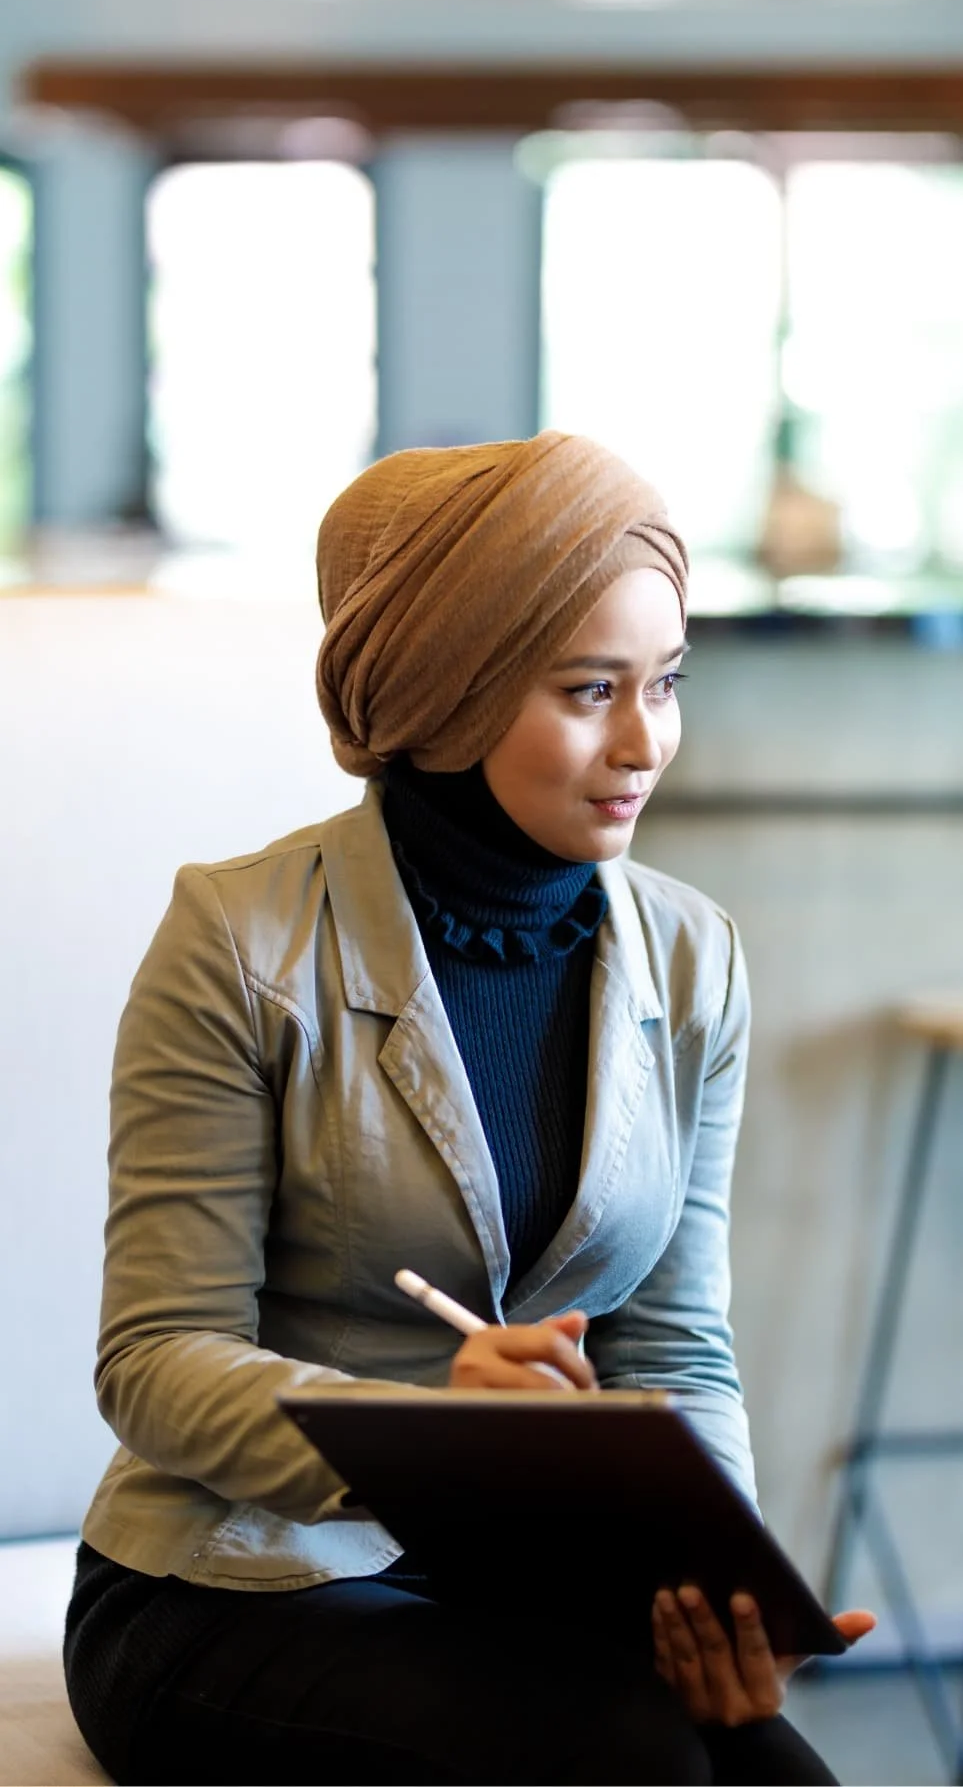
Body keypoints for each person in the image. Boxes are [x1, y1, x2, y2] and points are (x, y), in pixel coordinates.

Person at [63, 431, 872, 1786]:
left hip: (520, 1585)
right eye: (590, 690)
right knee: (638, 1762)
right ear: (448, 694)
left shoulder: (694, 957)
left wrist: (714, 1585)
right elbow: (154, 1359)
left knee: (774, 1769)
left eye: (666, 682)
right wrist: (438, 1430)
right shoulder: (239, 939)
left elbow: (676, 1345)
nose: (645, 743)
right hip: (231, 1582)